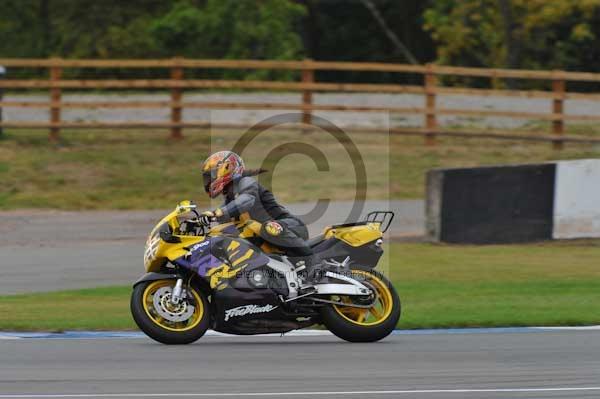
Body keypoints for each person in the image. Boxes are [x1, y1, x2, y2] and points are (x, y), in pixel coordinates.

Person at [199, 151, 319, 279]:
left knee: (268, 227)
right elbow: (222, 215)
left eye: (211, 176)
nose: (208, 181)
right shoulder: (229, 199)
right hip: (268, 237)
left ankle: (314, 263)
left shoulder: (246, 182)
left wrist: (218, 213)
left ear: (227, 168)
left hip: (290, 226)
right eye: (207, 178)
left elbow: (246, 200)